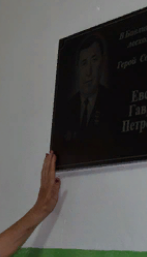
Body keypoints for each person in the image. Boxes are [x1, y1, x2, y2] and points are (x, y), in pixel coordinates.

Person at [52, 34, 117, 163]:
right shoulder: (65, 110)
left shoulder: (113, 104)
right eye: (84, 63)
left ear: (102, 63)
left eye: (94, 60)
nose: (89, 72)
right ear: (78, 69)